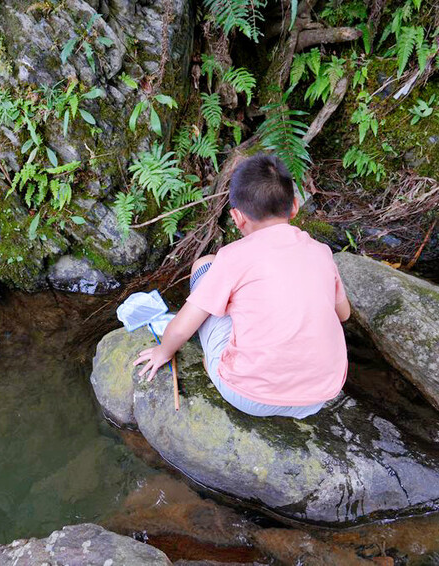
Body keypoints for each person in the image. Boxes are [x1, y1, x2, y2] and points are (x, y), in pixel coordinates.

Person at [133, 153, 350, 418]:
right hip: (319, 397)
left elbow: (180, 328)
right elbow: (343, 314)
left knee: (204, 265)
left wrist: (162, 352)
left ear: (237, 217)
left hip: (248, 396)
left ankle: (215, 364)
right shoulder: (321, 252)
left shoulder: (233, 256)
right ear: (294, 206)